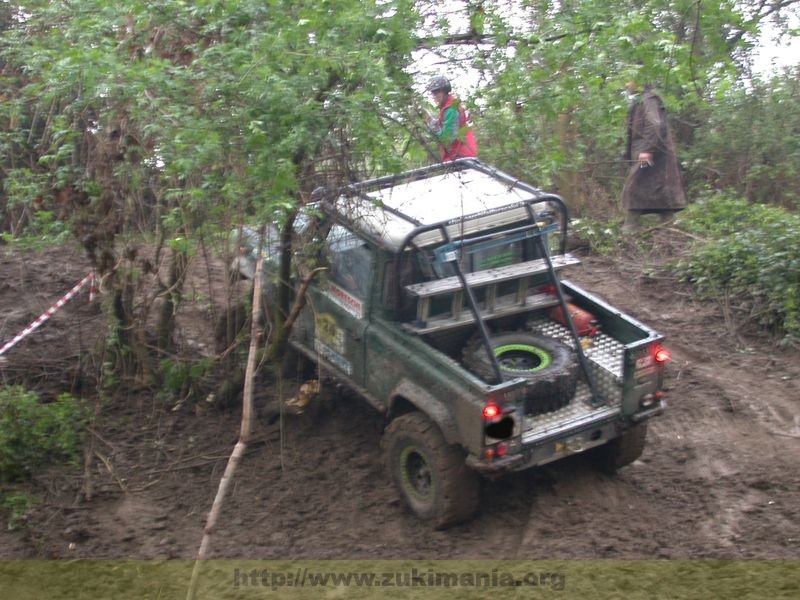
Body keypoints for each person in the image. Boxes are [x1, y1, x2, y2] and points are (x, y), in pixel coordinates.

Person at [621, 82, 687, 230]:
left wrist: (647, 150)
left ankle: (631, 227)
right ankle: (666, 228)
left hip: (650, 155)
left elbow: (655, 124)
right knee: (660, 191)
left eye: (629, 81)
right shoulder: (642, 99)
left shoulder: (648, 99)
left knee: (635, 184)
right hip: (653, 155)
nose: (626, 84)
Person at [425, 75, 478, 161]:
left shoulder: (451, 109)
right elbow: (449, 126)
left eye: (437, 92)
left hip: (460, 156)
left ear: (445, 91)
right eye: (433, 93)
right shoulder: (450, 106)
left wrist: (432, 126)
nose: (434, 96)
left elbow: (447, 139)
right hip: (462, 155)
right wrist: (433, 121)